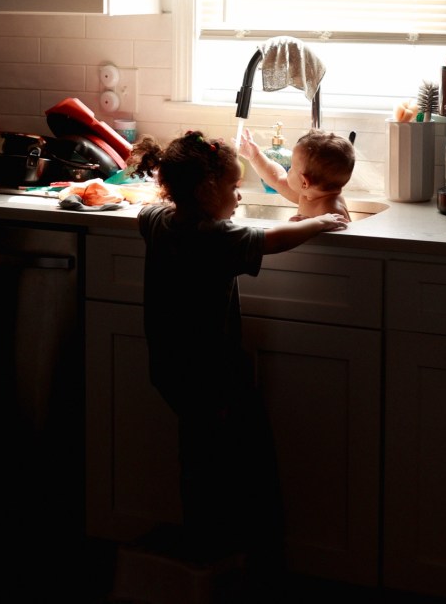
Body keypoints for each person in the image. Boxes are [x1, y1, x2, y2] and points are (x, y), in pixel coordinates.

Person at [137, 129, 347, 592]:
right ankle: (230, 554)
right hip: (212, 373)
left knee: (197, 453)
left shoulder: (157, 221)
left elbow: (148, 210)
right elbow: (271, 239)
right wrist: (319, 223)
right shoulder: (214, 237)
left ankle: (206, 542)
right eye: (233, 188)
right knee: (229, 458)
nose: (239, 195)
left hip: (171, 369)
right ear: (206, 190)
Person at [238, 127, 356, 221]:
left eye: (292, 167)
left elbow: (340, 248)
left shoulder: (332, 212)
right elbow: (277, 179)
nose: (288, 170)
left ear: (304, 182)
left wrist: (302, 229)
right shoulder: (308, 195)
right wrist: (255, 156)